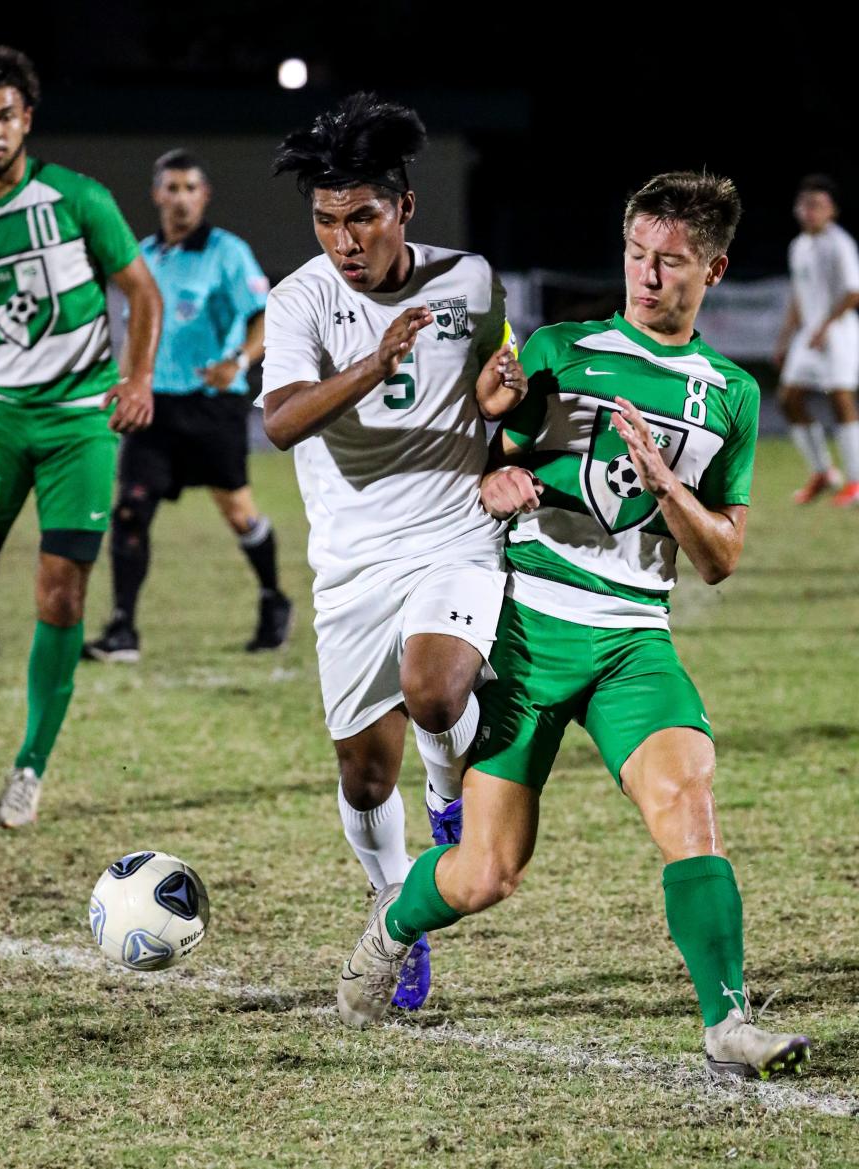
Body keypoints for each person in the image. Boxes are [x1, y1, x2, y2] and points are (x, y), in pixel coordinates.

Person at [338, 171, 812, 1081]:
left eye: (669, 262)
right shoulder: (561, 349)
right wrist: (490, 466)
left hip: (635, 638)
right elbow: (481, 452)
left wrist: (668, 483)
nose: (646, 274)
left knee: (689, 806)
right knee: (485, 872)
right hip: (529, 628)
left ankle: (727, 1022)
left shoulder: (732, 396)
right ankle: (393, 924)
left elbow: (720, 557)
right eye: (636, 254)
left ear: (714, 267)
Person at [263, 93, 525, 1009]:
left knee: (437, 688)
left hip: (454, 535)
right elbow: (282, 422)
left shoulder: (470, 279)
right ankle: (390, 898)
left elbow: (499, 390)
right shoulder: (299, 298)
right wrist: (372, 363)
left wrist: (503, 412)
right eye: (327, 220)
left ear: (403, 210)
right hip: (351, 561)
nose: (344, 238)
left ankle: (452, 804)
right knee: (364, 771)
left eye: (361, 216)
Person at [0, 44, 162, 827]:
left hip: (80, 425)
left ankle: (29, 767)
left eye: (6, 114)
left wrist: (137, 377)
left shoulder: (77, 198)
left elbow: (139, 292)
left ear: (27, 119)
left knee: (60, 593)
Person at [83, 149, 291, 661]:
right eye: (171, 188)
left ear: (205, 196)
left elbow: (263, 316)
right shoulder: (144, 257)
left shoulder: (227, 252)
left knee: (238, 513)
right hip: (152, 408)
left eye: (190, 188)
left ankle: (273, 598)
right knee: (130, 510)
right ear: (157, 195)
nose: (180, 199)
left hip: (211, 407)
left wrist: (239, 361)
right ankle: (123, 630)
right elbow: (133, 328)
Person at [775, 174, 859, 505]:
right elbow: (799, 295)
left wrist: (825, 327)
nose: (809, 211)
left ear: (832, 211)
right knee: (788, 399)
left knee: (840, 400)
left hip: (838, 332)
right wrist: (784, 338)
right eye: (805, 204)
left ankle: (855, 481)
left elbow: (853, 292)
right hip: (809, 334)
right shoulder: (798, 246)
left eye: (818, 205)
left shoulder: (840, 244)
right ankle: (823, 471)